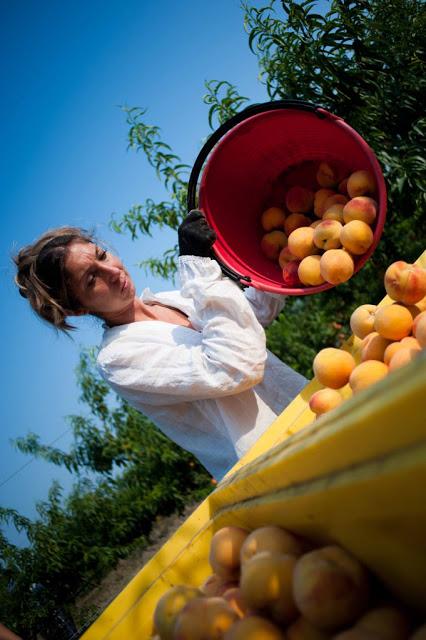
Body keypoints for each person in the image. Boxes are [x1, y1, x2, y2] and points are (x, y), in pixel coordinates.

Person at [14, 211, 306, 480]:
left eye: (102, 256)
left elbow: (248, 320)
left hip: (304, 411)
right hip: (275, 463)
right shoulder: (119, 359)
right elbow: (235, 367)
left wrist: (276, 259)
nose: (112, 271)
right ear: (77, 309)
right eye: (92, 279)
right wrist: (200, 271)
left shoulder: (168, 299)